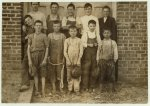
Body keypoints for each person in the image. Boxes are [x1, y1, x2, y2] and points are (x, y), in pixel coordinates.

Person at [27, 20, 49, 97]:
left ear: (42, 27)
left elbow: (47, 48)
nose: (38, 27)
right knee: (35, 74)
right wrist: (29, 60)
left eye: (40, 25)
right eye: (37, 25)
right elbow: (28, 49)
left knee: (43, 74)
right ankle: (37, 90)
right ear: (34, 26)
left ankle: (43, 91)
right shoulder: (30, 36)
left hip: (42, 55)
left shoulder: (44, 36)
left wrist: (45, 59)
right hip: (33, 56)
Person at [98, 6, 118, 81]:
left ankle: (110, 80)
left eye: (107, 11)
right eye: (104, 11)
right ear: (102, 12)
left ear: (109, 12)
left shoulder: (112, 20)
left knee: (110, 62)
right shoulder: (99, 20)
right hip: (102, 40)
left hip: (109, 41)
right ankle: (102, 80)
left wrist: (112, 41)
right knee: (102, 61)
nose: (105, 12)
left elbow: (113, 31)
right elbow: (98, 31)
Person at [81, 20, 101, 93]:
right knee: (86, 70)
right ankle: (85, 86)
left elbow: (100, 44)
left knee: (94, 69)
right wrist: (88, 45)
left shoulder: (97, 34)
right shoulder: (85, 33)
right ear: (88, 26)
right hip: (87, 54)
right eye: (90, 26)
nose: (92, 27)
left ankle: (92, 86)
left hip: (94, 54)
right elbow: (82, 43)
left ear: (95, 26)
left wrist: (96, 45)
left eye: (93, 26)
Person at [48, 20, 66, 94]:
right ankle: (53, 87)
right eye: (55, 26)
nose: (56, 28)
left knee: (60, 72)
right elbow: (47, 47)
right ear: (52, 27)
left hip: (60, 56)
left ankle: (60, 86)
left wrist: (64, 57)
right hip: (52, 56)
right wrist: (48, 56)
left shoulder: (63, 36)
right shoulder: (49, 35)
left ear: (60, 27)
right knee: (52, 71)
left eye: (58, 26)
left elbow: (65, 48)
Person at [64, 26, 83, 95]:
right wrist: (68, 60)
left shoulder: (79, 40)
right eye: (71, 31)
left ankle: (76, 89)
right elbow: (65, 51)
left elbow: (81, 51)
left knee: (76, 74)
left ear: (77, 32)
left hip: (77, 59)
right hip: (69, 60)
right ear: (69, 32)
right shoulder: (67, 40)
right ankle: (70, 88)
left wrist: (78, 60)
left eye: (74, 31)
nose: (73, 33)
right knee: (69, 75)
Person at [20, 15, 35, 92]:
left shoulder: (37, 26)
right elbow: (22, 40)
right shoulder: (25, 29)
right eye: (26, 21)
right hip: (27, 49)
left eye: (29, 20)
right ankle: (25, 84)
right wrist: (25, 37)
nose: (28, 22)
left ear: (32, 19)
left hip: (36, 49)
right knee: (24, 64)